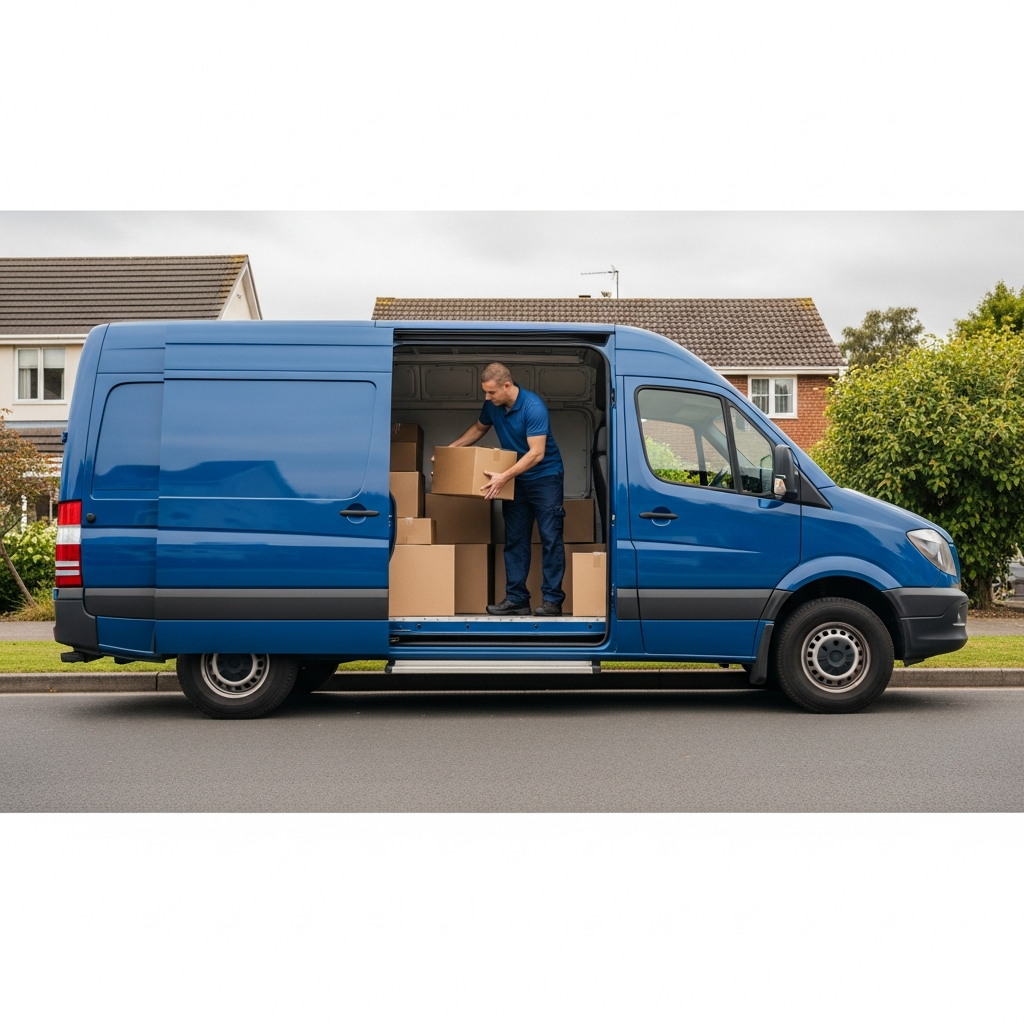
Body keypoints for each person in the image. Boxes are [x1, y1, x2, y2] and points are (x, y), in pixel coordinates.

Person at [447, 362, 565, 616]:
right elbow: (479, 428)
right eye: (486, 393)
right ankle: (517, 599)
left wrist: (502, 477)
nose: (487, 398)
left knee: (550, 538)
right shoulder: (493, 405)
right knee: (515, 539)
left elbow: (537, 453)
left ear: (507, 385)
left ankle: (552, 601)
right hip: (516, 478)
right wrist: (449, 453)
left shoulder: (533, 408)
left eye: (491, 392)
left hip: (545, 478)